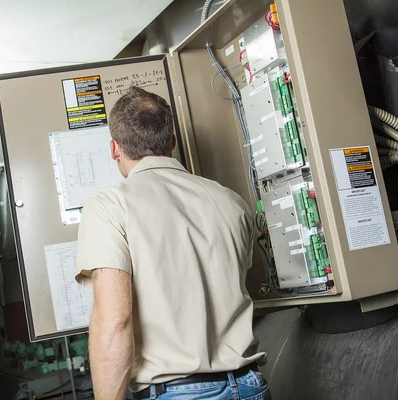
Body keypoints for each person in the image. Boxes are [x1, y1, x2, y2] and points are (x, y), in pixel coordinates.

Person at [75, 86, 271, 400]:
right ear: (172, 142)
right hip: (249, 386)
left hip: (179, 393)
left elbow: (114, 320)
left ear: (114, 149)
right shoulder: (231, 201)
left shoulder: (110, 206)